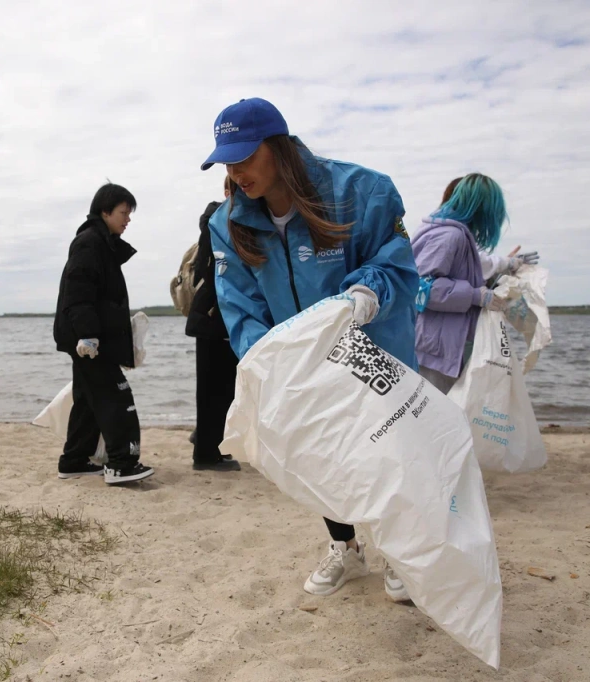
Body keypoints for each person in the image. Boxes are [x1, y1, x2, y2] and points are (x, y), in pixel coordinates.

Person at [200, 97, 419, 602]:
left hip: (371, 349)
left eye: (245, 157)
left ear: (278, 147)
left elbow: (396, 260)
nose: (236, 172)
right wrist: (266, 361)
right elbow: (240, 305)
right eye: (226, 161)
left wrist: (368, 292)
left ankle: (397, 552)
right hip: (298, 363)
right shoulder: (227, 222)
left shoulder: (362, 190)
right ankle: (345, 547)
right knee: (320, 456)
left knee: (387, 454)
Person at [53, 183, 155, 485]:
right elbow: (78, 292)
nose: (128, 219)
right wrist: (88, 335)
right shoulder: (89, 243)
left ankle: (74, 461)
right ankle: (121, 464)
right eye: (124, 213)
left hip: (94, 338)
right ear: (105, 211)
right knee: (116, 397)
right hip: (91, 341)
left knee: (87, 402)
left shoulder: (103, 242)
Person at [411, 173, 517, 394]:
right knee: (436, 419)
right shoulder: (449, 236)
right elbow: (421, 288)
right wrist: (475, 296)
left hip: (442, 346)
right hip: (434, 351)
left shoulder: (453, 233)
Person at [185, 176, 242, 472]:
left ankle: (206, 440)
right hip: (214, 316)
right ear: (228, 192)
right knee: (215, 389)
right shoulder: (220, 220)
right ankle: (206, 454)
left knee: (220, 388)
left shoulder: (217, 219)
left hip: (213, 316)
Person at [440, 176, 540, 283]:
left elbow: (475, 272)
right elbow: (477, 263)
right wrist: (507, 263)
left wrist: (503, 269)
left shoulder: (450, 232)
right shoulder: (453, 235)